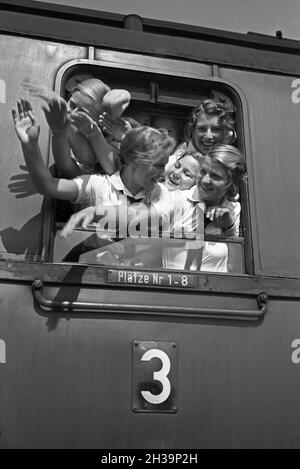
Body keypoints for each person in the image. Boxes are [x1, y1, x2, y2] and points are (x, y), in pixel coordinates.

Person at [22, 78, 131, 177]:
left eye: (82, 112)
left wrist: (124, 95)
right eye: (72, 104)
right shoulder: (61, 119)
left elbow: (88, 157)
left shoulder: (104, 148)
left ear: (99, 122)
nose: (71, 111)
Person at [166, 92, 236, 171]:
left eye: (216, 129)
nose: (208, 136)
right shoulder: (171, 164)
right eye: (202, 129)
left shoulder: (233, 167)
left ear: (226, 133)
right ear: (192, 130)